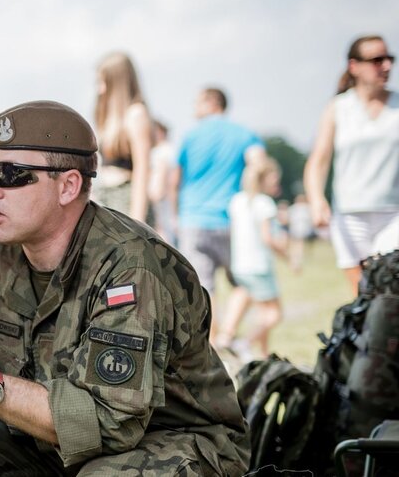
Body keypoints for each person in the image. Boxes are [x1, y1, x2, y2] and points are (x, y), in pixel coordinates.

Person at [0, 101, 249, 475]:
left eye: (11, 174)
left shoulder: (130, 265)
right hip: (45, 441)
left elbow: (110, 423)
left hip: (172, 441)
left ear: (69, 186)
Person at [304, 35, 399, 295]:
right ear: (354, 66)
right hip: (349, 215)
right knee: (363, 295)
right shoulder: (338, 108)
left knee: (389, 287)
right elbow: (319, 160)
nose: (386, 66)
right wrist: (316, 199)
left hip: (393, 214)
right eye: (377, 60)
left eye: (389, 59)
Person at [170, 87, 265, 341]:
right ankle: (228, 333)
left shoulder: (190, 137)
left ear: (212, 103)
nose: (193, 108)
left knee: (203, 290)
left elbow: (174, 180)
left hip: (193, 221)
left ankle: (212, 346)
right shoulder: (244, 134)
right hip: (231, 220)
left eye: (197, 102)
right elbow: (259, 164)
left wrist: (174, 215)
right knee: (245, 282)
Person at [217, 159, 288, 359]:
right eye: (274, 178)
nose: (276, 183)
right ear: (263, 179)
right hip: (259, 265)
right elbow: (268, 238)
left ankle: (263, 353)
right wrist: (287, 256)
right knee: (274, 314)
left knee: (261, 312)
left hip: (241, 264)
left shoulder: (237, 201)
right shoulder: (264, 203)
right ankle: (244, 344)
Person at [92, 52, 154, 222]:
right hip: (107, 196)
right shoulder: (110, 118)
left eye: (103, 81)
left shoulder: (136, 114)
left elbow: (143, 169)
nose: (100, 88)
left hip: (127, 198)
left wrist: (137, 220)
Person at [148, 120, 177, 244]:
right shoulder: (166, 149)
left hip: (161, 197)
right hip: (161, 197)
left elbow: (164, 172)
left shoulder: (163, 150)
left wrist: (157, 193)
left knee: (163, 229)